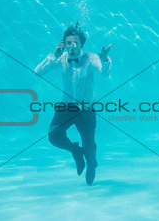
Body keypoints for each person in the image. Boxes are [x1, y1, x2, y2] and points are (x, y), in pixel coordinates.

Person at [34, 22, 112, 185]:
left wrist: (104, 59)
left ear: (81, 43)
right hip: (66, 107)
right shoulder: (61, 58)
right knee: (54, 137)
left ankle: (92, 164)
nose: (72, 45)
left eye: (76, 42)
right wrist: (53, 56)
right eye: (69, 42)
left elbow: (104, 73)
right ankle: (76, 151)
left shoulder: (91, 58)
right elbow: (38, 72)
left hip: (86, 109)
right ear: (65, 43)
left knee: (89, 144)